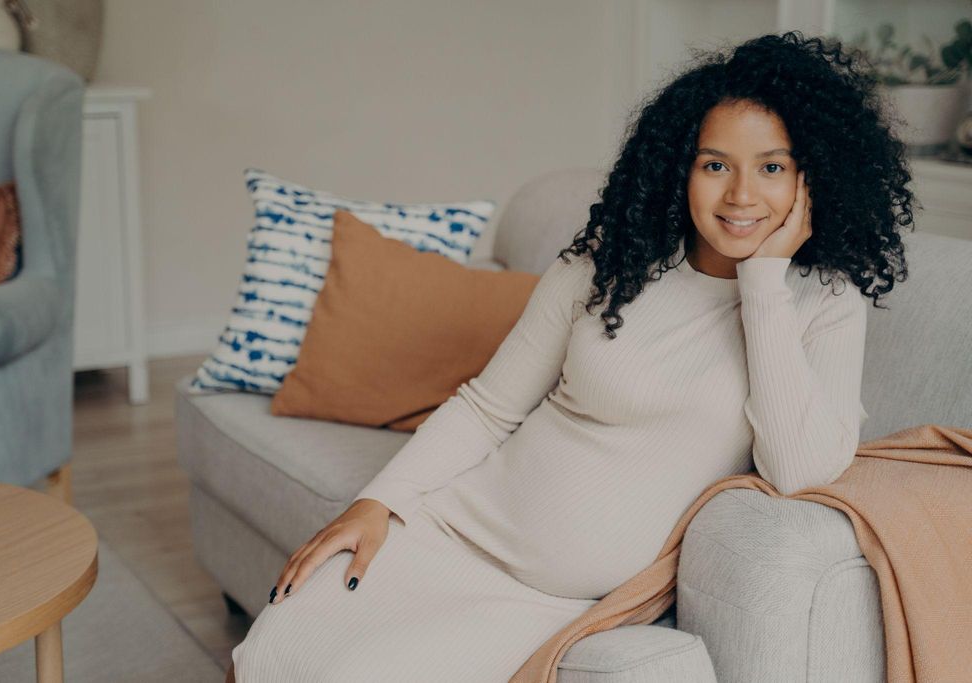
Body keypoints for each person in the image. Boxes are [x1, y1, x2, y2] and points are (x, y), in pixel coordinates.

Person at [226, 30, 912, 682]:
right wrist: (378, 502)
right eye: (714, 165)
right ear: (681, 168)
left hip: (545, 600)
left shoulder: (823, 302)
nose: (740, 195)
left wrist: (764, 282)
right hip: (450, 530)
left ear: (812, 179)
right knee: (274, 646)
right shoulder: (608, 263)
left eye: (771, 168)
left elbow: (797, 469)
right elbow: (486, 406)